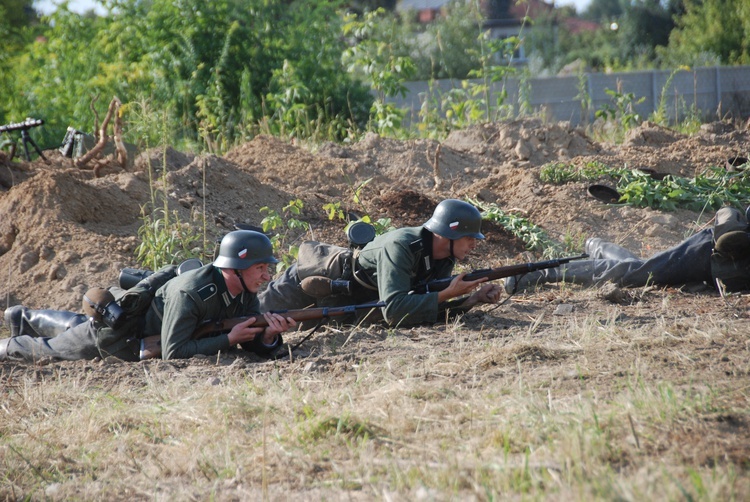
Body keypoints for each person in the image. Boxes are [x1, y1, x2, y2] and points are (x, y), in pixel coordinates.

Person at [0, 230, 296, 363]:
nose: (267, 277)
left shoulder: (244, 290)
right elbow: (173, 352)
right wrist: (228, 340)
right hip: (121, 337)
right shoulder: (191, 293)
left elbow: (249, 342)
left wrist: (267, 336)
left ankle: (21, 316)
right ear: (234, 269)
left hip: (150, 329)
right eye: (260, 268)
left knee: (74, 324)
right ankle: (8, 343)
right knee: (50, 350)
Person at [259, 199, 504, 326]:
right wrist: (445, 294)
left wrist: (472, 299)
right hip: (310, 279)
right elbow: (394, 310)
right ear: (445, 235)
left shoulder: (443, 257)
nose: (474, 244)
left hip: (344, 302)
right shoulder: (402, 246)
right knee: (251, 319)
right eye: (469, 237)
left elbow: (417, 309)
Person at [504, 206, 750, 294]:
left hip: (716, 266)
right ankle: (542, 273)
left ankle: (598, 247)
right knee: (634, 274)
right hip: (706, 254)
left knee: (639, 268)